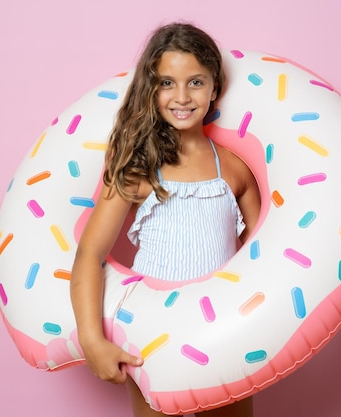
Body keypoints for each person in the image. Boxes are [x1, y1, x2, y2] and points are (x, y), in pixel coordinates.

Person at [70, 22, 261, 417]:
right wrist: (92, 341)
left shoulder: (236, 170)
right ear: (151, 89)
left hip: (222, 332)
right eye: (166, 83)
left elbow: (263, 258)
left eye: (195, 82)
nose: (181, 97)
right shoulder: (138, 168)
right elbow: (90, 252)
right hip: (152, 334)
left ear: (214, 87)